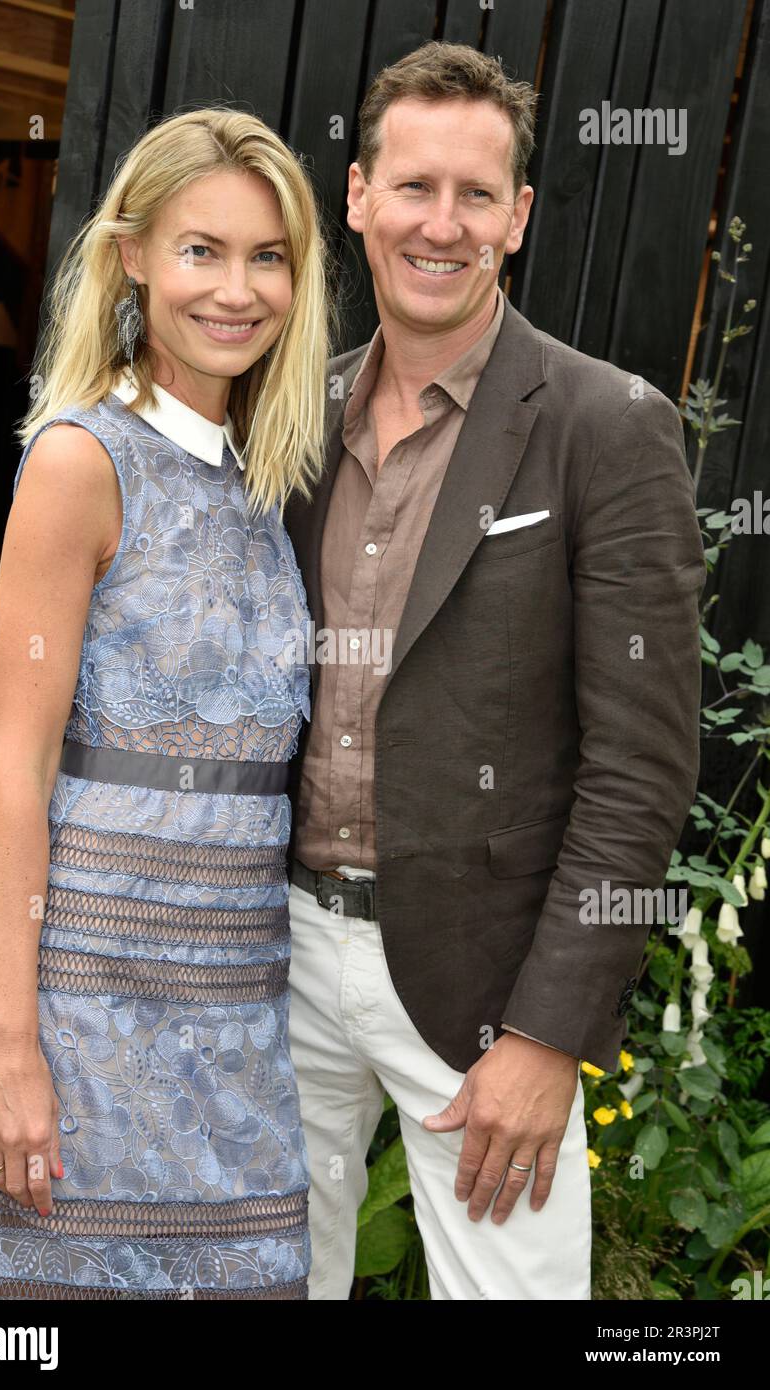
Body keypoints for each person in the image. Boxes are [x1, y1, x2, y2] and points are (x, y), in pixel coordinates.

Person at [283, 42, 706, 1300]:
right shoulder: (293, 416)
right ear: (355, 196)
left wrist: (546, 1033)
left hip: (484, 984)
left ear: (517, 217)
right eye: (413, 187)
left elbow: (640, 770)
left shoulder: (605, 426)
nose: (441, 224)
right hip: (279, 958)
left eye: (476, 195)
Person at [0, 107, 332, 1299]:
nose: (235, 290)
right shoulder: (78, 462)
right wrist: (6, 1043)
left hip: (234, 1028)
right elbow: (16, 776)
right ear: (133, 256)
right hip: (80, 1016)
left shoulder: (263, 478)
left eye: (267, 257)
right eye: (201, 249)